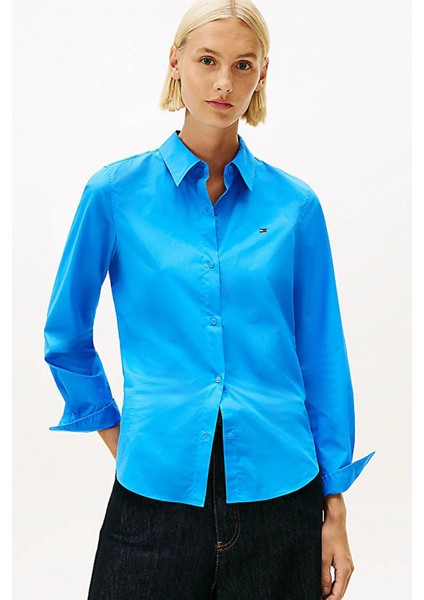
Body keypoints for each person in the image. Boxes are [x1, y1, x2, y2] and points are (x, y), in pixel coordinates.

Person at [43, 1, 375, 598]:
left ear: (262, 75)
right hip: (155, 497)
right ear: (175, 62)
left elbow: (322, 357)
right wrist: (123, 438)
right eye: (207, 60)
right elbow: (66, 337)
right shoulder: (114, 194)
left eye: (243, 65)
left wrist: (335, 509)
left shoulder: (295, 206)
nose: (224, 82)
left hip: (283, 497)